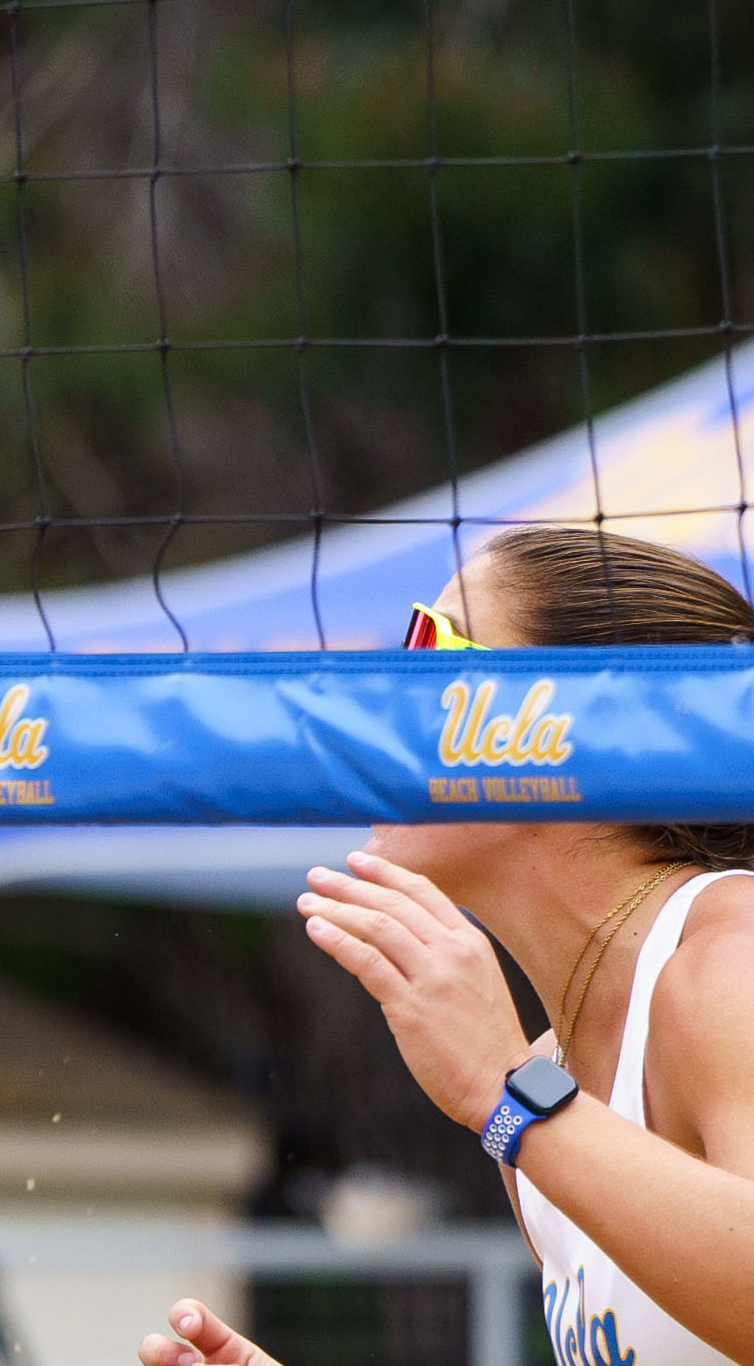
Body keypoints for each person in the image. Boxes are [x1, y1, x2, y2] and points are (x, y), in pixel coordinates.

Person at [139, 524, 754, 1366]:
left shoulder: (726, 960)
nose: (397, 687)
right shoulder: (545, 1078)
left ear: (578, 724)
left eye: (434, 644)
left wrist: (512, 1103)